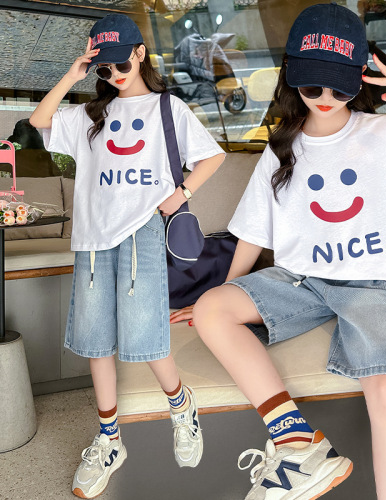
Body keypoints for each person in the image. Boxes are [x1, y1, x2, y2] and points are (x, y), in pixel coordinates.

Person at [172, 3, 386, 500]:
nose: (325, 99)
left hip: (375, 284)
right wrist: (227, 292)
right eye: (313, 86)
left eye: (339, 88)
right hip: (300, 281)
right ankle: (298, 444)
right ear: (292, 75)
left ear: (359, 80)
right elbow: (254, 231)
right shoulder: (283, 147)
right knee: (212, 309)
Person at [29, 13, 225, 499]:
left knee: (145, 335)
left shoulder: (168, 108)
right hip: (92, 238)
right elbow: (40, 121)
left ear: (140, 53)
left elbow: (213, 156)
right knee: (96, 341)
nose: (115, 75)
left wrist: (180, 194)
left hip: (142, 232)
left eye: (121, 63)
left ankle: (180, 405)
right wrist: (73, 75)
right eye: (105, 69)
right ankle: (109, 439)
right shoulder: (90, 115)